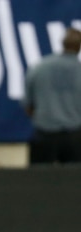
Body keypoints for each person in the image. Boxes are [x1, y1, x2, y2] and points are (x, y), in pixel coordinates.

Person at [22, 27, 81, 164]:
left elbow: (28, 104)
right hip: (75, 137)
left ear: (62, 43)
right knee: (75, 183)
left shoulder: (40, 68)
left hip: (44, 134)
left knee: (37, 181)